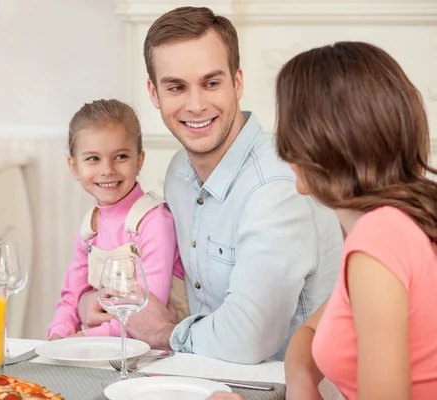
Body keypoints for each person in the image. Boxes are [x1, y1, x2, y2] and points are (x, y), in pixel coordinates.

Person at [77, 7, 343, 364]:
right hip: (202, 377)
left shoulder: (279, 186)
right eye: (176, 87)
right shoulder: (179, 174)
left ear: (237, 83)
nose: (196, 105)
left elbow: (248, 340)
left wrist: (164, 332)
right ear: (154, 94)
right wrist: (93, 299)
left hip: (279, 388)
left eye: (211, 83)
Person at [275, 41, 437, 399]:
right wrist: (301, 380)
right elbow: (312, 331)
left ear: (323, 140)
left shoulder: (381, 236)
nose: (282, 145)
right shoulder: (401, 221)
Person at [47, 99, 188, 339]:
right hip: (103, 348)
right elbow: (72, 295)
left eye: (121, 156)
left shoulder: (154, 222)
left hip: (154, 354)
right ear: (74, 166)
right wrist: (58, 335)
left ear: (139, 160)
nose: (107, 170)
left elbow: (147, 314)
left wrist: (81, 340)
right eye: (93, 159)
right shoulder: (90, 226)